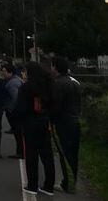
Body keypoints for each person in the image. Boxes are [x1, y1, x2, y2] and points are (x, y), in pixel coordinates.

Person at [15, 62, 56, 196]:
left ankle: (32, 185)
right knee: (47, 155)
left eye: (25, 71)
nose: (23, 74)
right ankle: (49, 186)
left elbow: (20, 108)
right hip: (44, 122)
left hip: (30, 123)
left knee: (31, 155)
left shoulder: (26, 87)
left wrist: (19, 122)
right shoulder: (47, 86)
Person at [51, 57, 82, 194]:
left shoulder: (58, 84)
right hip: (75, 120)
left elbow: (56, 105)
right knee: (73, 153)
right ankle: (73, 181)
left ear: (55, 68)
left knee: (65, 153)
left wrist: (50, 117)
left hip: (63, 122)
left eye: (52, 66)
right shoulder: (74, 82)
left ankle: (68, 184)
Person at [1, 62, 24, 158]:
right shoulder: (17, 80)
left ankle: (20, 152)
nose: (3, 74)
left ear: (10, 72)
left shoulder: (12, 84)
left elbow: (15, 98)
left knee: (17, 132)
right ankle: (20, 151)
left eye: (4, 72)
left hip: (14, 112)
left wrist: (9, 109)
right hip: (17, 111)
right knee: (18, 132)